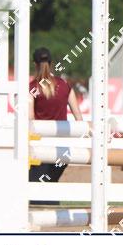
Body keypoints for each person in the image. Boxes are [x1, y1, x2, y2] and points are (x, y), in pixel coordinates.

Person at [28, 47, 83, 184]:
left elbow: (30, 119)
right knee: (51, 182)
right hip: (62, 148)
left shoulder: (32, 88)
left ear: (35, 64)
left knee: (36, 185)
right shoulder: (65, 85)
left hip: (41, 147)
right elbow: (79, 118)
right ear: (51, 63)